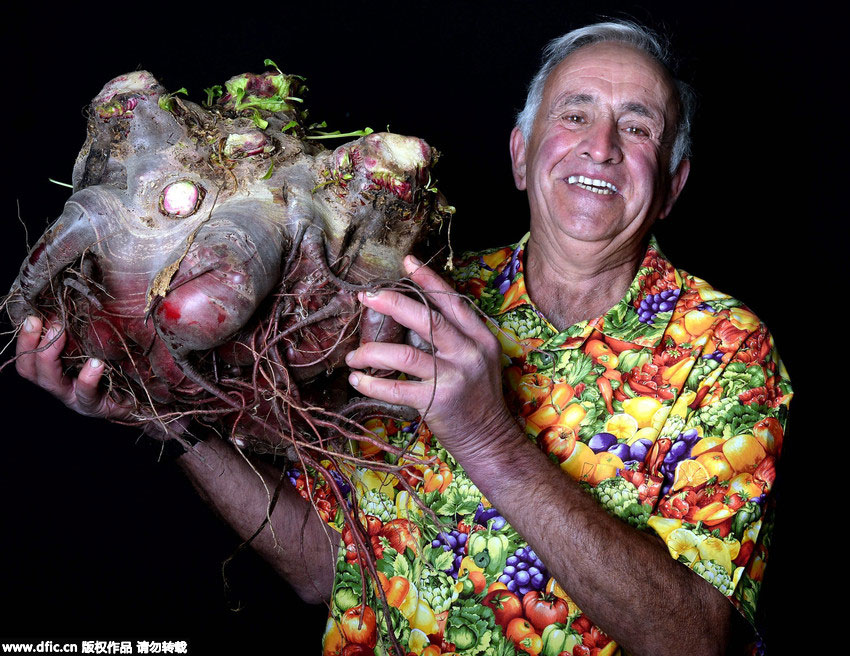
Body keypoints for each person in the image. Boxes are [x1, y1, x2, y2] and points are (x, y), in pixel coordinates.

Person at [14, 20, 790, 656]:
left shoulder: (726, 351)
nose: (601, 147)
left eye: (639, 126)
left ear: (673, 185)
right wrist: (165, 412)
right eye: (575, 113)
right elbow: (324, 566)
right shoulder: (415, 298)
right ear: (521, 155)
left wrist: (487, 437)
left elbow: (696, 642)